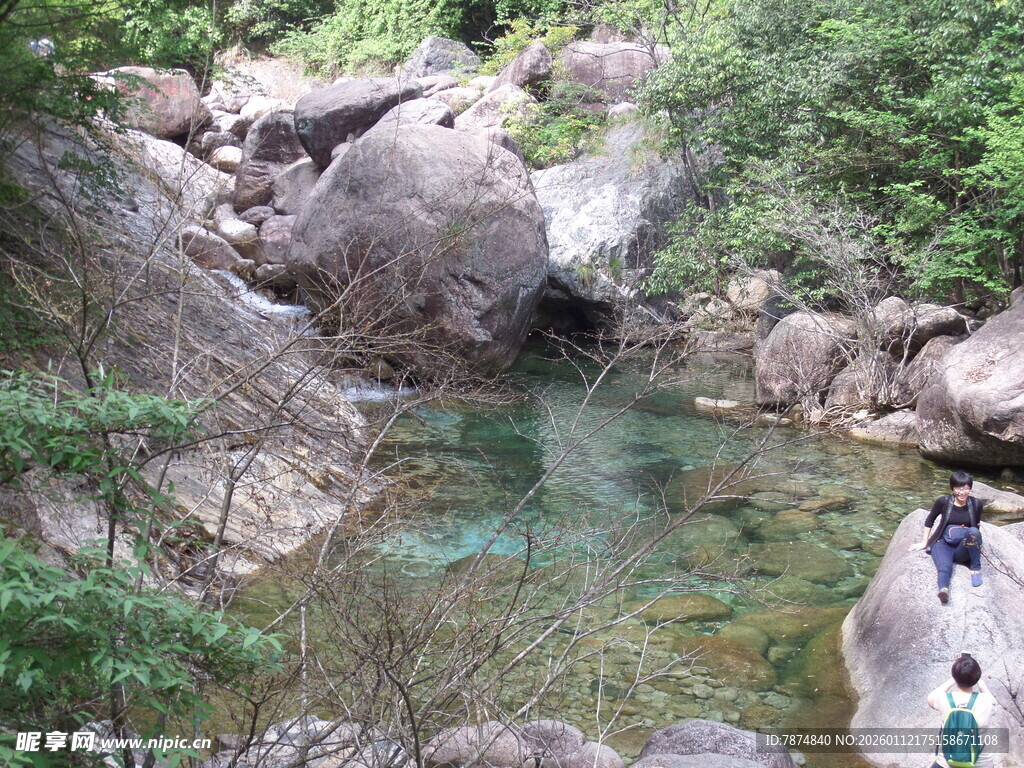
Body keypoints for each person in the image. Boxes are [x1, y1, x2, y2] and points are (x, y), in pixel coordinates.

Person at [908, 470, 984, 604]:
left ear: (970, 489)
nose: (962, 492)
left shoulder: (976, 504)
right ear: (953, 489)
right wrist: (924, 543)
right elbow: (929, 521)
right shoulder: (943, 502)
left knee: (973, 531)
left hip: (963, 548)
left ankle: (975, 569)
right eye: (958, 488)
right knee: (944, 567)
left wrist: (977, 546)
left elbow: (976, 526)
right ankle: (943, 590)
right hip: (943, 544)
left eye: (965, 488)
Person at [927, 655, 996, 768]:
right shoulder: (987, 701)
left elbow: (930, 698)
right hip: (981, 764)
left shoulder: (943, 699)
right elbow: (992, 700)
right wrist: (979, 680)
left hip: (946, 763)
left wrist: (954, 677)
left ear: (954, 676)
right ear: (977, 677)